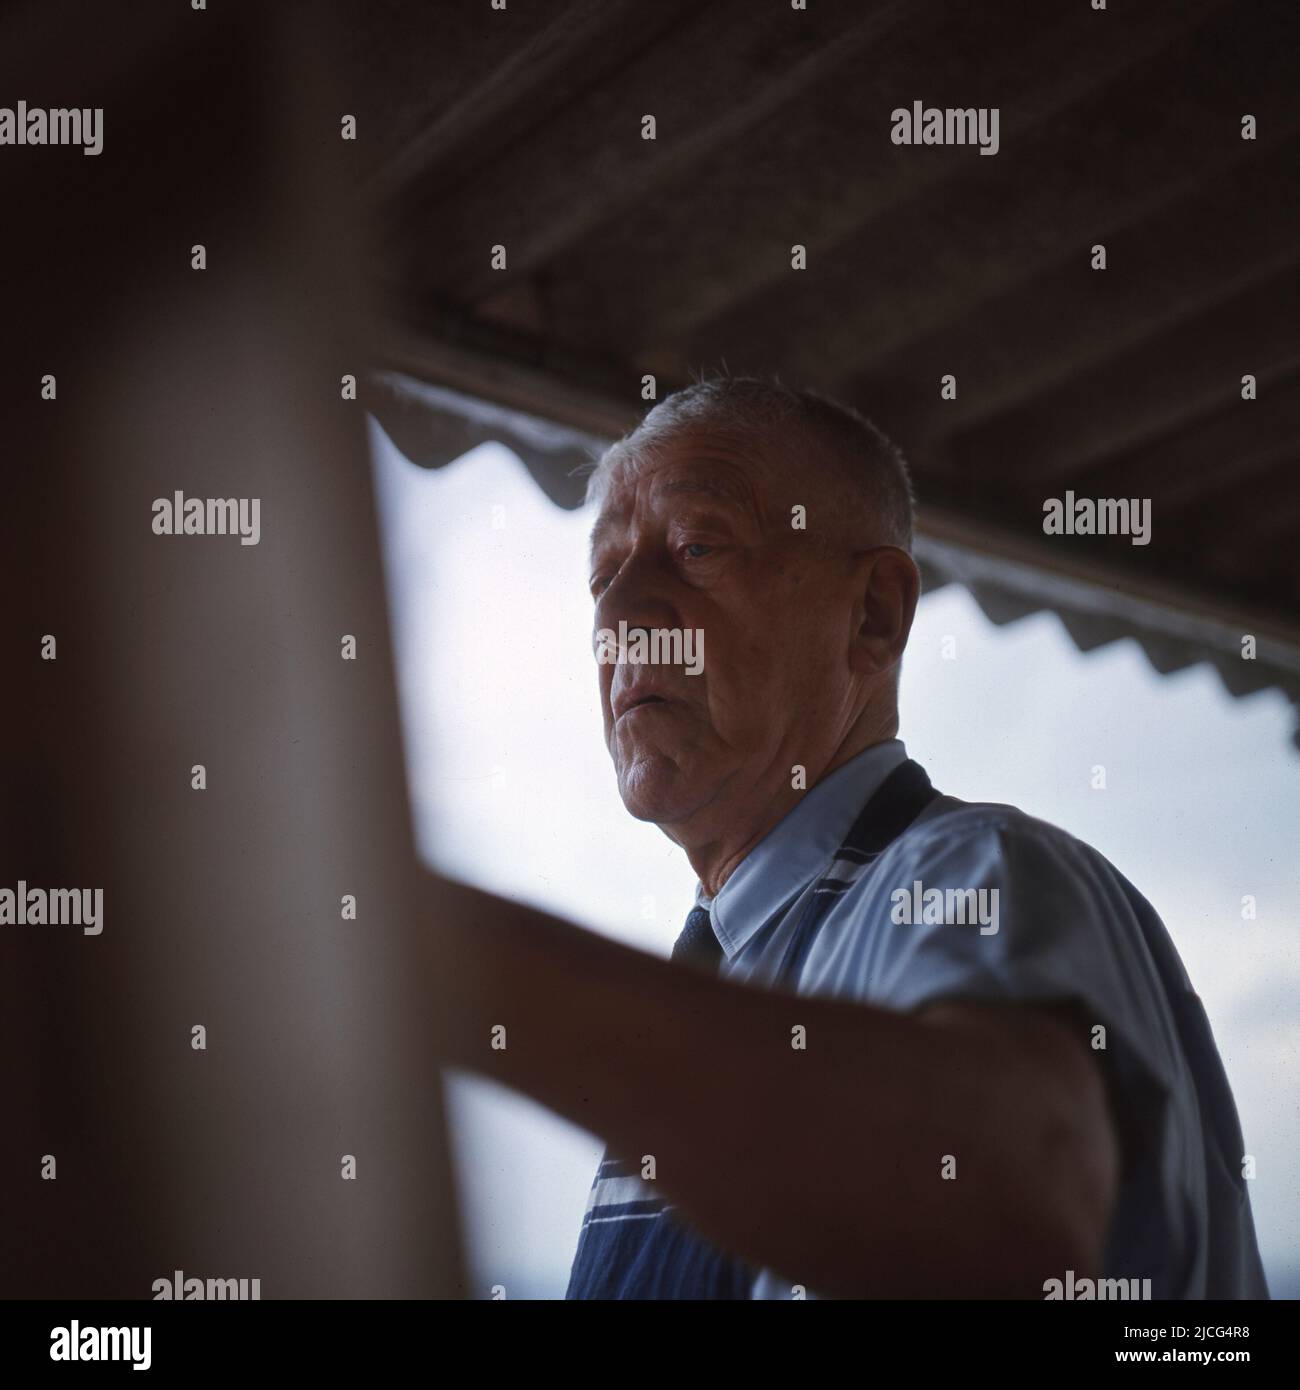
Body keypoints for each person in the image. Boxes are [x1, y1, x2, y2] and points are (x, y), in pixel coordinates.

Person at [426, 375, 1269, 1299]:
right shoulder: (729, 982)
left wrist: (443, 955)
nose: (619, 618)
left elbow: (1011, 1205)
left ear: (873, 615)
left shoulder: (970, 870)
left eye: (698, 545)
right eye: (602, 576)